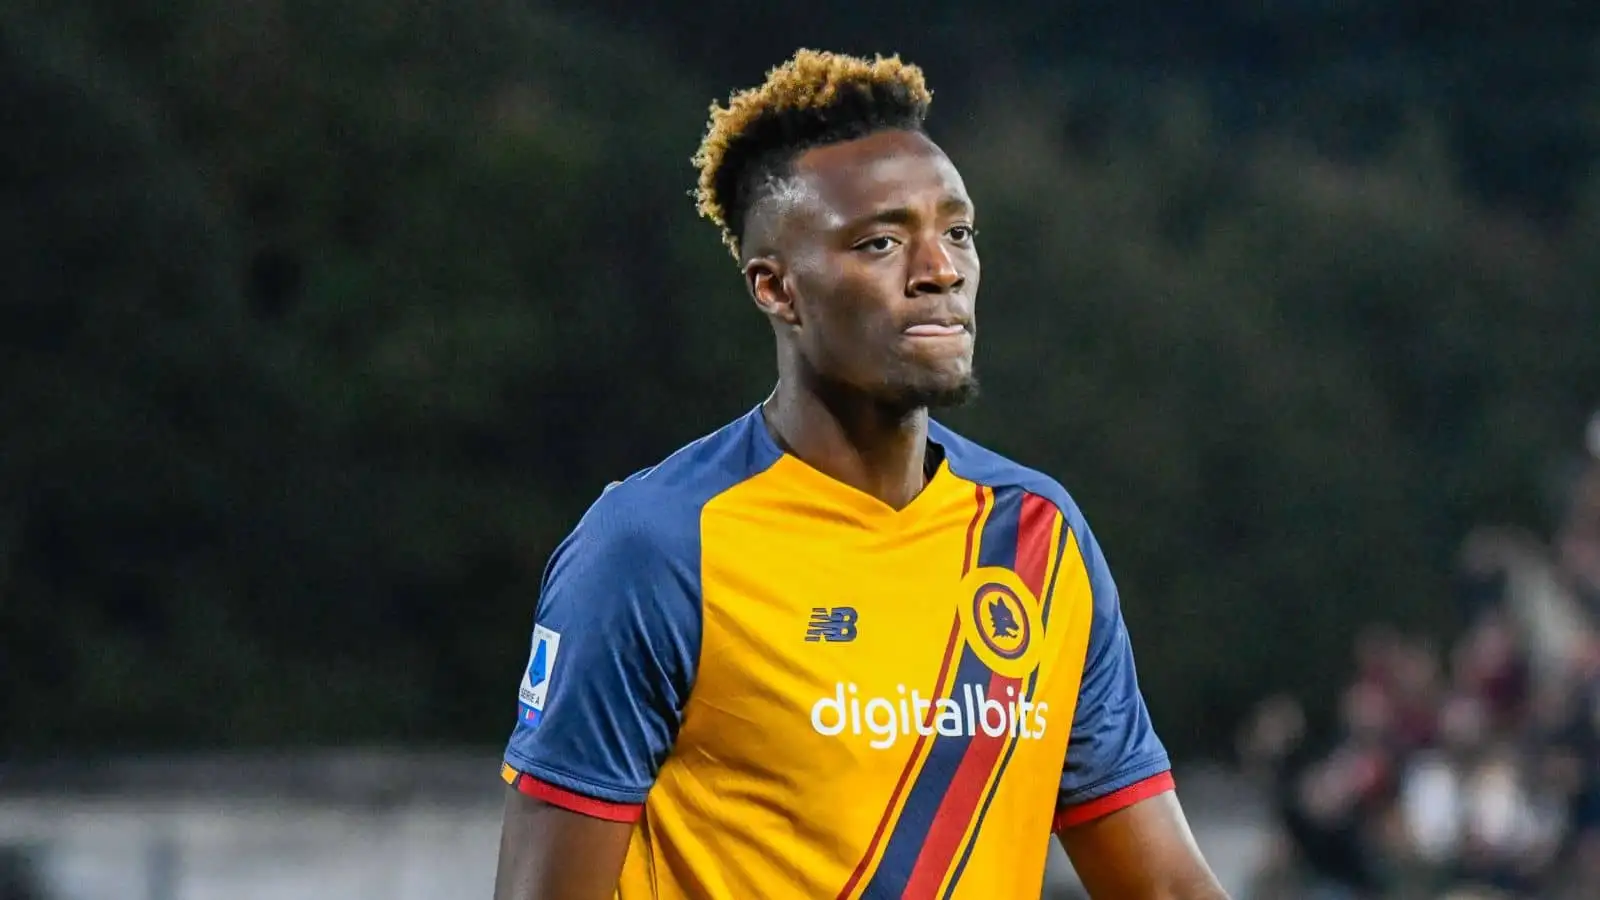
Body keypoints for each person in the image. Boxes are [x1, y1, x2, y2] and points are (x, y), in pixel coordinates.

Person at [492, 48, 1227, 900]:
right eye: (881, 242)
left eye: (956, 233)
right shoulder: (656, 548)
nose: (940, 271)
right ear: (776, 289)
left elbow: (1165, 887)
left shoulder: (1037, 538)